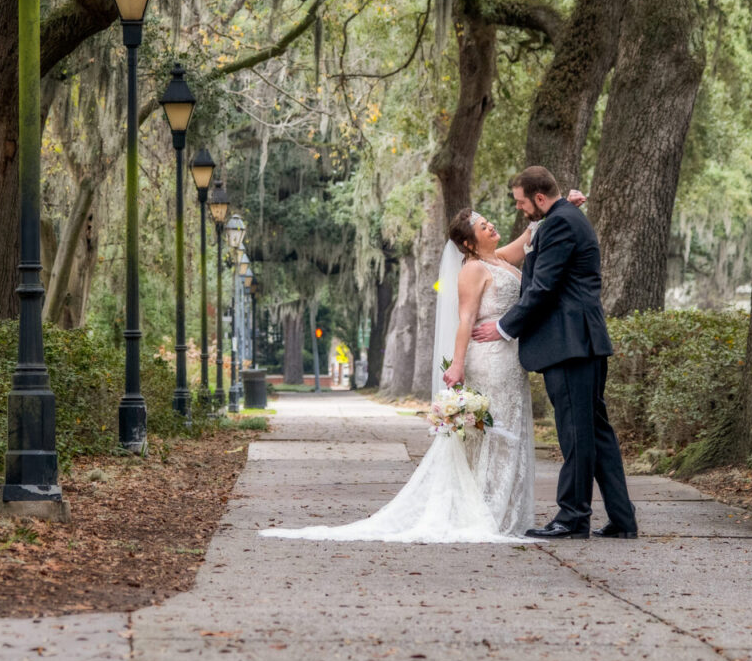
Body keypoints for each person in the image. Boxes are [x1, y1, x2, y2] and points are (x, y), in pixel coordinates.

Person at [258, 204, 547, 543]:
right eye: (484, 226)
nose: (492, 226)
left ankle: (507, 511)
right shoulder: (472, 270)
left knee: (511, 429)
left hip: (511, 361)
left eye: (489, 222)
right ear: (469, 243)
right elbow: (466, 320)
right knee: (492, 435)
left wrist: (561, 208)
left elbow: (529, 235)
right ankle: (487, 512)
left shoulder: (499, 259)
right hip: (487, 360)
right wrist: (456, 364)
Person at [472, 166, 638, 540]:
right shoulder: (560, 218)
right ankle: (622, 519)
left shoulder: (561, 223)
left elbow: (543, 287)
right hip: (580, 342)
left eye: (521, 202)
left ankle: (573, 517)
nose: (519, 209)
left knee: (577, 434)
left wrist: (502, 328)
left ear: (540, 198)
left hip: (570, 345)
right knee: (596, 434)